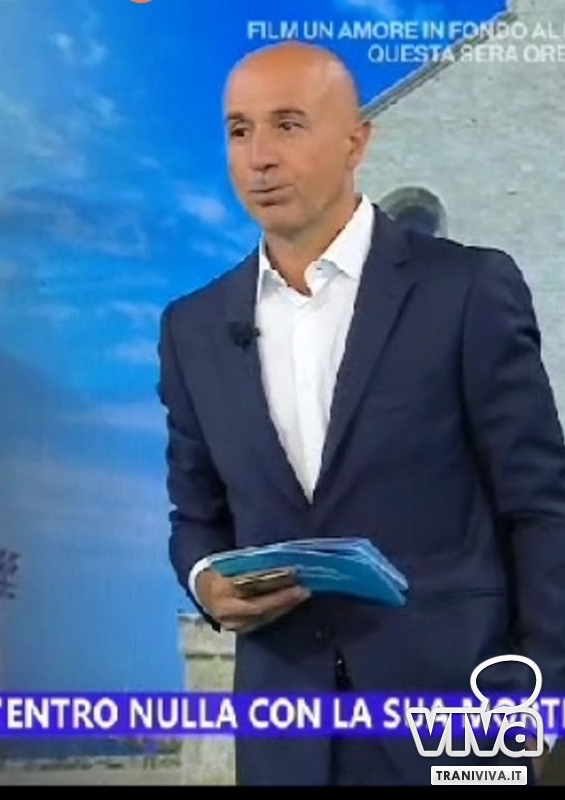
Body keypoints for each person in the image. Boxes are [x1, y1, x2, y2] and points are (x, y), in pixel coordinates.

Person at [157, 40, 565, 785]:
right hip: (286, 733)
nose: (259, 157)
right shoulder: (193, 328)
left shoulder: (466, 290)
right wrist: (207, 580)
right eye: (240, 130)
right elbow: (196, 515)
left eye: (288, 125)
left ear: (356, 142)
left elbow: (541, 509)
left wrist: (540, 695)